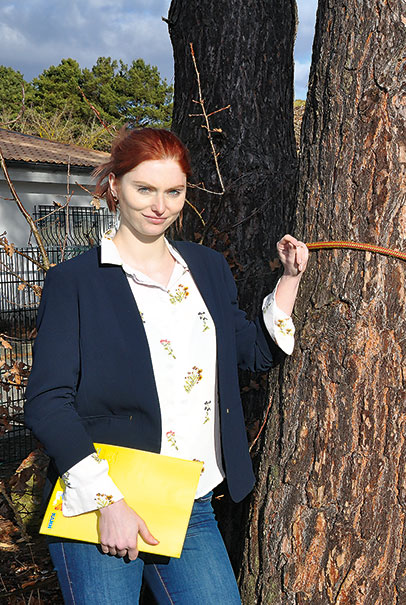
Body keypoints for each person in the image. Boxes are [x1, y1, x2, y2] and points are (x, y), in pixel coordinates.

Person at [24, 127, 308, 604]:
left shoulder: (208, 268)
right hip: (102, 502)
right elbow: (48, 402)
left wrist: (290, 280)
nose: (159, 205)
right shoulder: (74, 282)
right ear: (115, 186)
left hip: (188, 501)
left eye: (173, 192)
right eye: (145, 189)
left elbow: (253, 353)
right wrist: (107, 501)